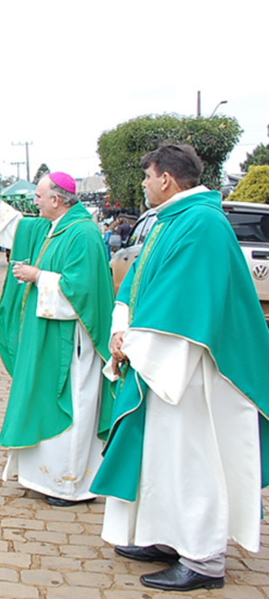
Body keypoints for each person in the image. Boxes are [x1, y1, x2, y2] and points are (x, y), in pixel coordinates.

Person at [90, 142, 269, 592]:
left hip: (195, 371)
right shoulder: (176, 220)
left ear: (166, 178)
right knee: (163, 457)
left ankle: (204, 559)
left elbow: (186, 306)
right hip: (165, 363)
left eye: (148, 177)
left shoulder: (203, 224)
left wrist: (131, 343)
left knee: (192, 459)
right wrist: (121, 323)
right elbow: (138, 281)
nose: (145, 184)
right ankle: (171, 538)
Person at [0, 170, 114, 506]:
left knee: (74, 405)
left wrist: (38, 276)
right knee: (46, 398)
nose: (33, 201)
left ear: (56, 199)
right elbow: (15, 224)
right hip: (50, 335)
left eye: (38, 196)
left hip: (72, 341)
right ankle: (48, 477)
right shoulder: (52, 227)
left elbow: (82, 289)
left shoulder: (82, 234)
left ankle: (71, 486)